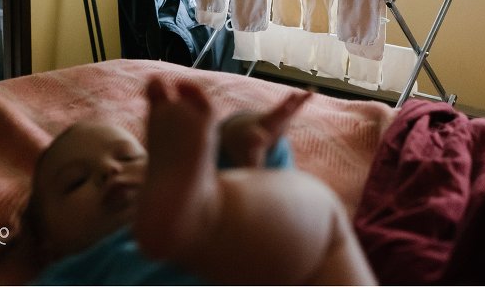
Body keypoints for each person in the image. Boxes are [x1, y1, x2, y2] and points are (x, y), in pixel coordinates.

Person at [28, 78, 376, 285]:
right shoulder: (68, 276)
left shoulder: (191, 188)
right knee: (322, 215)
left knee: (266, 197)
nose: (109, 171)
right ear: (49, 245)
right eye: (75, 182)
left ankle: (225, 143)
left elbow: (264, 174)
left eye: (129, 158)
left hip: (239, 243)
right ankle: (207, 213)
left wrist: (243, 136)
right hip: (234, 250)